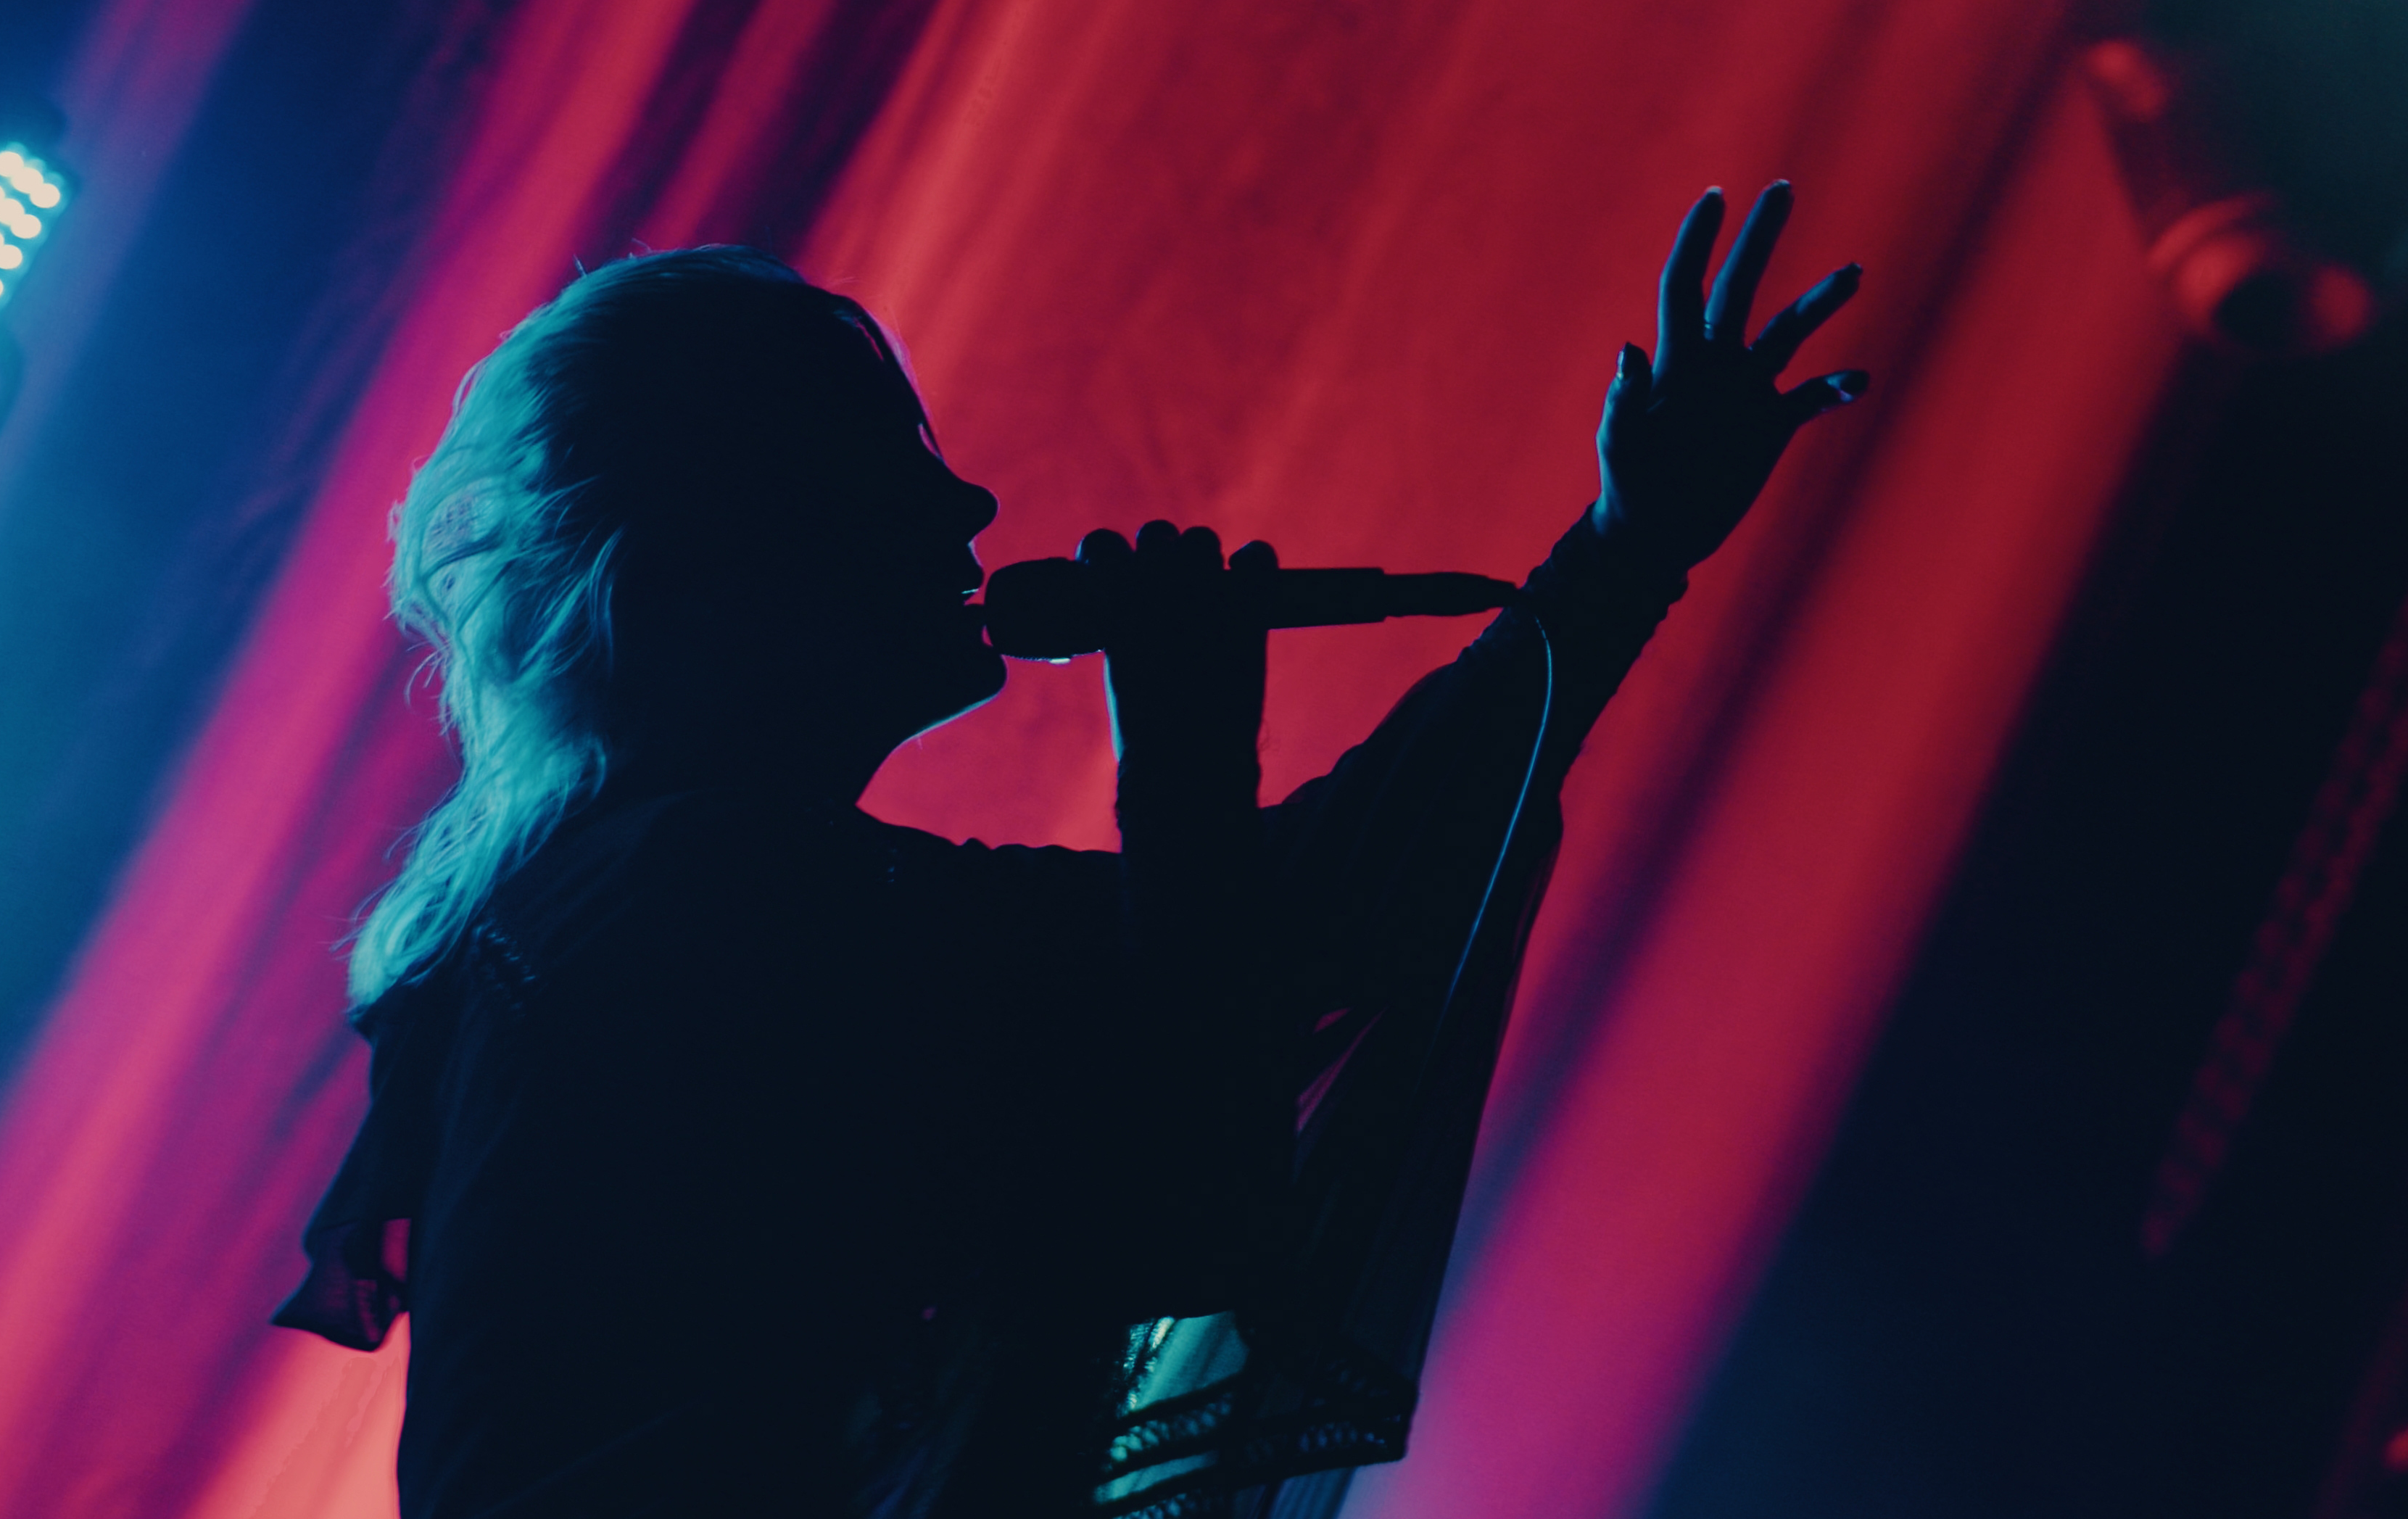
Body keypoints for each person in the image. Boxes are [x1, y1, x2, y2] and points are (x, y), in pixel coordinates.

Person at [277, 183, 1866, 1518]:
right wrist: (1186, 751)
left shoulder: (689, 889)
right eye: (886, 463)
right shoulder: (702, 905)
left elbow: (1292, 917)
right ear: (734, 552)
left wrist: (1627, 549)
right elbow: (1190, 1196)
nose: (970, 503)